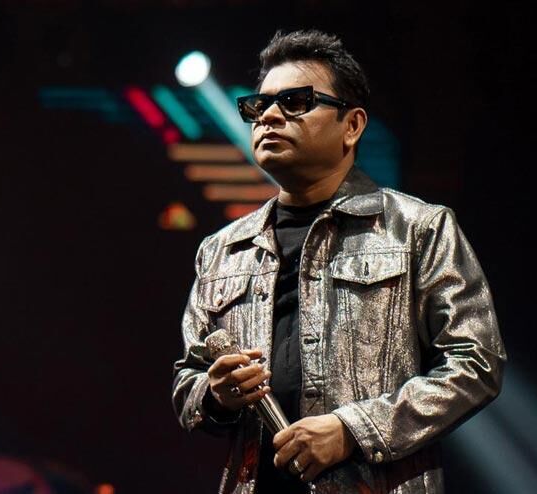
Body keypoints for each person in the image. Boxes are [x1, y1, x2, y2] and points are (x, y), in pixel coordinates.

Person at [172, 29, 506, 494]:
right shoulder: (221, 249)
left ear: (352, 125)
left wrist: (353, 429)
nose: (269, 116)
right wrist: (216, 394)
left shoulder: (418, 228)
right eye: (259, 105)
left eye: (295, 102)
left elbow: (476, 362)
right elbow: (187, 379)